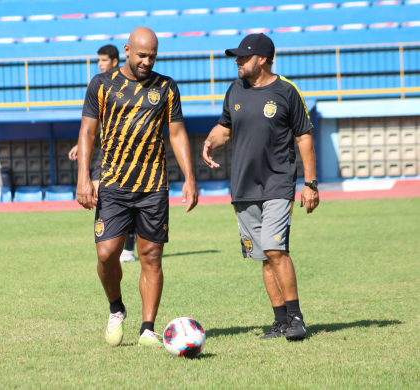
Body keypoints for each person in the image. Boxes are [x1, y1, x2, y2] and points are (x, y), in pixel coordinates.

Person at [76, 27, 198, 347]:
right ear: (127, 51)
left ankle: (147, 328)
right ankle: (116, 308)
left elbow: (176, 134)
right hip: (113, 184)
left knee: (151, 256)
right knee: (106, 254)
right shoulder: (101, 85)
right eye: (141, 55)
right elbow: (88, 133)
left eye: (152, 56)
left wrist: (190, 177)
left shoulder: (166, 87)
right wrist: (83, 178)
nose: (147, 61)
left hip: (153, 186)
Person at [202, 34, 320, 341]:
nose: (238, 61)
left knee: (274, 247)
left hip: (278, 182)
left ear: (262, 59)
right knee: (264, 257)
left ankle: (296, 318)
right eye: (237, 57)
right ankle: (280, 322)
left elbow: (304, 136)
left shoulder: (286, 91)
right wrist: (210, 142)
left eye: (243, 57)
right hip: (243, 186)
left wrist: (310, 183)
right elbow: (224, 127)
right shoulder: (235, 90)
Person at [68, 45, 137, 263]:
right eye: (98, 60)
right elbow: (92, 123)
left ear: (116, 61)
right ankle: (110, 242)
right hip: (105, 156)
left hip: (129, 158)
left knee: (129, 200)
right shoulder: (100, 84)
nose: (100, 63)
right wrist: (81, 145)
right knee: (99, 194)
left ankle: (128, 247)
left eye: (104, 60)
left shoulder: (127, 85)